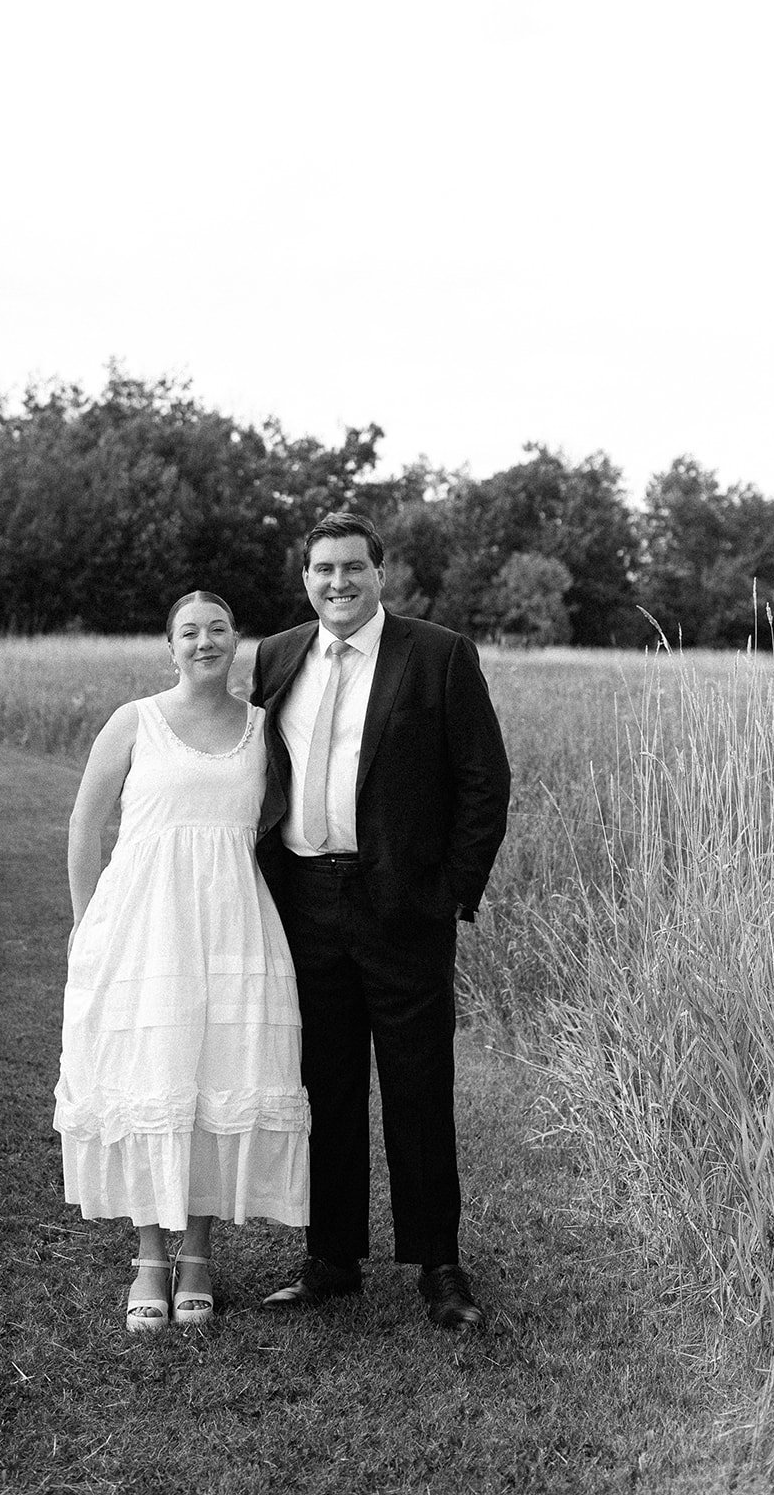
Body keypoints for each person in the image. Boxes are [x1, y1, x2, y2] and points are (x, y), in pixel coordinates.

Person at [252, 512, 510, 1328]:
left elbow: (483, 785)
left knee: (417, 1087)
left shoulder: (436, 655)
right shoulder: (277, 655)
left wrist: (449, 894)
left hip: (403, 907)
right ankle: (331, 1260)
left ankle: (438, 1266)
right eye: (323, 569)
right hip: (304, 902)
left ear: (380, 573)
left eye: (353, 568)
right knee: (322, 1086)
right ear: (306, 578)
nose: (338, 582)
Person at [53, 590, 310, 1333]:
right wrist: (83, 919)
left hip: (230, 921)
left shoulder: (265, 729)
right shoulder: (134, 721)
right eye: (189, 632)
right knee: (151, 1072)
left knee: (217, 1070)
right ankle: (147, 1258)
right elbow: (83, 824)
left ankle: (196, 1253)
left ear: (237, 641)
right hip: (143, 924)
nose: (205, 642)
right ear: (169, 647)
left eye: (218, 629)